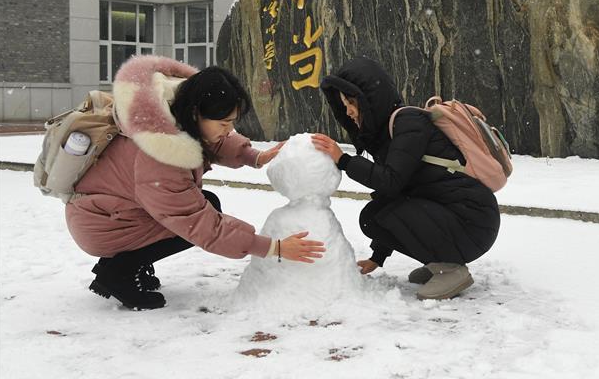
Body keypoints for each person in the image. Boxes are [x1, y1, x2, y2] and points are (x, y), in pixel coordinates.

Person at [65, 56, 325, 311]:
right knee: (196, 218)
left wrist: (253, 156)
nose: (228, 129)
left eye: (232, 122)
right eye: (224, 122)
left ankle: (127, 264)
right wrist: (273, 247)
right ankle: (119, 272)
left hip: (111, 210)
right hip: (103, 224)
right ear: (195, 112)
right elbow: (202, 225)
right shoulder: (160, 156)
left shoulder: (171, 111)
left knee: (204, 205)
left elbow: (209, 139)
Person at [311, 56, 500, 300]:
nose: (347, 111)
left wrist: (345, 161)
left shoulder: (409, 122)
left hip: (473, 220)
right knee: (373, 217)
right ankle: (439, 260)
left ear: (368, 98)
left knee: (383, 212)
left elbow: (391, 182)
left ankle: (451, 269)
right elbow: (390, 196)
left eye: (350, 101)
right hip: (454, 214)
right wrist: (376, 258)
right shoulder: (388, 133)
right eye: (343, 104)